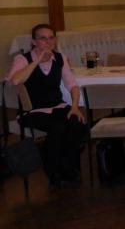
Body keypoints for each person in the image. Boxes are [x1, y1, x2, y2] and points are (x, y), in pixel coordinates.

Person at [6, 24, 86, 189]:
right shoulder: (23, 59)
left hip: (58, 106)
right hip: (32, 111)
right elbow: (15, 80)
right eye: (43, 38)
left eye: (51, 38)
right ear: (34, 42)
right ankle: (54, 173)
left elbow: (72, 84)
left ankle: (69, 168)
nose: (48, 42)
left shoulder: (60, 58)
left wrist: (74, 106)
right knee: (57, 128)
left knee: (77, 123)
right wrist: (37, 61)